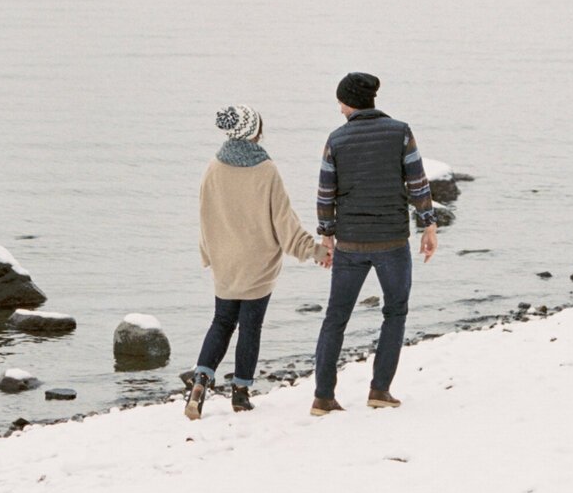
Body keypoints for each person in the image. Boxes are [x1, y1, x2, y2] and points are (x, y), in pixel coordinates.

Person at [186, 104, 328, 420]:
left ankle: (200, 383)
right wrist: (313, 250)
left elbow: (205, 215)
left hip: (225, 261)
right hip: (258, 264)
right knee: (250, 325)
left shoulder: (213, 168)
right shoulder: (265, 169)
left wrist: (208, 254)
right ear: (254, 131)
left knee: (222, 321)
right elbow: (284, 221)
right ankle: (240, 393)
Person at [311, 72, 437, 416]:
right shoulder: (400, 132)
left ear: (350, 101)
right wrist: (429, 225)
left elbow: (326, 192)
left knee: (335, 317)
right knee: (394, 313)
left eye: (340, 102)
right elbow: (417, 181)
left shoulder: (336, 140)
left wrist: (327, 236)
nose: (339, 109)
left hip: (351, 242)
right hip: (393, 240)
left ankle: (323, 397)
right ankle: (379, 390)